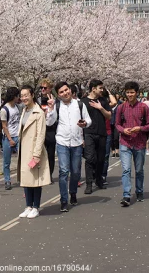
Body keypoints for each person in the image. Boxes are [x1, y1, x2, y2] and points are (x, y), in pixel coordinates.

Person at [46, 81, 91, 212]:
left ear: (70, 90)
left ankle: (73, 192)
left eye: (66, 90)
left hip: (77, 142)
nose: (65, 93)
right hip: (62, 142)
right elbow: (49, 122)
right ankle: (64, 200)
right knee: (64, 171)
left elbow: (88, 120)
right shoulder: (57, 106)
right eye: (61, 92)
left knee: (75, 172)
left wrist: (85, 123)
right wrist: (50, 108)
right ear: (58, 95)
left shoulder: (80, 104)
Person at [115, 81, 149, 207]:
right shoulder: (121, 108)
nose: (130, 95)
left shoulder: (143, 107)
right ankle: (126, 195)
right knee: (126, 169)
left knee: (139, 170)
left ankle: (139, 191)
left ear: (137, 93)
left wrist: (140, 128)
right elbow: (117, 124)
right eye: (127, 92)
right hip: (125, 142)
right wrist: (122, 130)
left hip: (139, 143)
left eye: (132, 92)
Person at [17, 85, 50, 219]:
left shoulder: (38, 112)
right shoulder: (25, 110)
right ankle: (28, 206)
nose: (24, 98)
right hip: (24, 149)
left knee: (35, 180)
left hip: (34, 149)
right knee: (26, 179)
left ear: (32, 95)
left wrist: (36, 154)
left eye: (26, 95)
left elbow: (41, 134)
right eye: (22, 95)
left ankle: (36, 206)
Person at [80, 79, 112, 194]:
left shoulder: (103, 101)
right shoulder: (83, 102)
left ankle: (98, 179)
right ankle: (89, 183)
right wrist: (81, 137)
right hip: (88, 133)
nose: (102, 90)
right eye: (100, 88)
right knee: (89, 158)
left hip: (102, 133)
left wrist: (101, 108)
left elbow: (109, 116)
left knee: (100, 159)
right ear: (93, 88)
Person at [1, 87, 22, 190]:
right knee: (6, 161)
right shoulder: (4, 109)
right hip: (8, 138)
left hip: (18, 136)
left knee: (22, 158)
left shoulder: (17, 107)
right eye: (18, 95)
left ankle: (23, 178)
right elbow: (4, 126)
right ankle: (7, 180)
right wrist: (10, 139)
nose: (19, 98)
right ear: (14, 96)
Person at [38, 78, 57, 183]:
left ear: (50, 89)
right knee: (40, 153)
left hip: (50, 130)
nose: (43, 90)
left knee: (50, 154)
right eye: (41, 87)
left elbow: (54, 118)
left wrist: (51, 108)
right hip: (40, 129)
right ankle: (41, 174)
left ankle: (49, 174)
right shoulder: (37, 100)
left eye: (45, 88)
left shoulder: (55, 101)